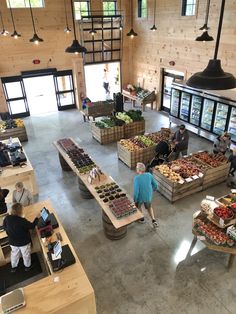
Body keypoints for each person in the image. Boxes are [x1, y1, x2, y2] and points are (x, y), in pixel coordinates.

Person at [3, 203, 38, 272]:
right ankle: (27, 266)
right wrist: (36, 219)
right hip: (24, 242)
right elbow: (31, 226)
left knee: (14, 254)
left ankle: (14, 267)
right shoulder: (22, 220)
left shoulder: (7, 218)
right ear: (20, 211)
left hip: (12, 242)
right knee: (26, 255)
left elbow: (4, 227)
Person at [133, 162, 159, 228]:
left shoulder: (136, 178)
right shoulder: (149, 175)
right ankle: (153, 220)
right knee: (149, 207)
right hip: (148, 196)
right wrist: (153, 190)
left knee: (138, 206)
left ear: (138, 170)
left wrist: (135, 200)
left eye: (136, 168)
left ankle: (142, 219)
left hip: (140, 197)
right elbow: (156, 185)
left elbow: (136, 191)